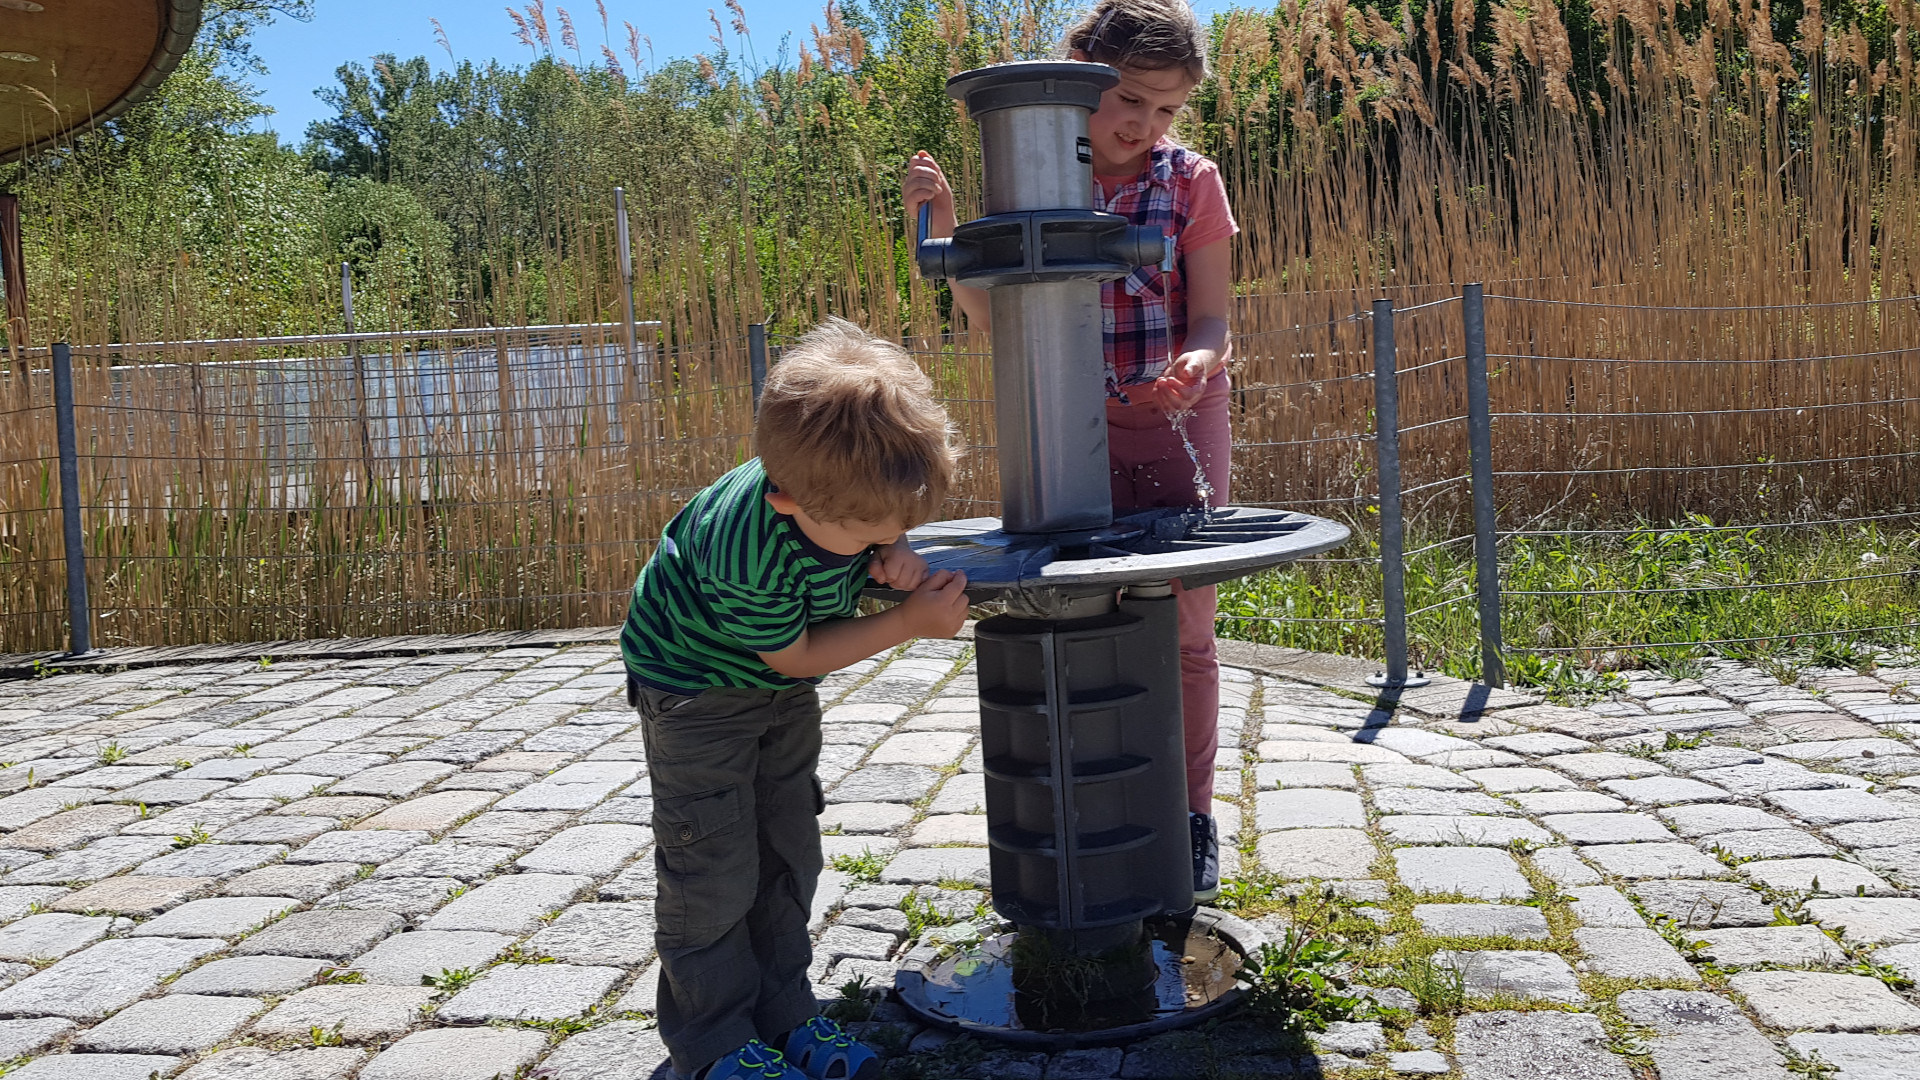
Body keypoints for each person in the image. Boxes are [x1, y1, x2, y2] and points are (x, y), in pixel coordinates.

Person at [902, 0, 1237, 900]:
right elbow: (991, 317)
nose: (1143, 124)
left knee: (1187, 626)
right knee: (1076, 605)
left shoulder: (1191, 181)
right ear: (1084, 70)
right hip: (1066, 420)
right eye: (1129, 98)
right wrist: (941, 220)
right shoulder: (1040, 174)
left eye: (1166, 109)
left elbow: (1213, 317)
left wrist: (1198, 362)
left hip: (1180, 418)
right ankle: (1090, 806)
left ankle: (1191, 815)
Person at [621, 317, 969, 1080]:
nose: (887, 542)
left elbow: (867, 531)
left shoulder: (834, 490)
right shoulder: (746, 550)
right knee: (712, 865)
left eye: (900, 527)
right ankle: (713, 1042)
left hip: (776, 690)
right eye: (871, 533)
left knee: (787, 851)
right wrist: (906, 622)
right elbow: (797, 654)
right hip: (696, 693)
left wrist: (893, 548)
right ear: (788, 502)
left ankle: (783, 1012)